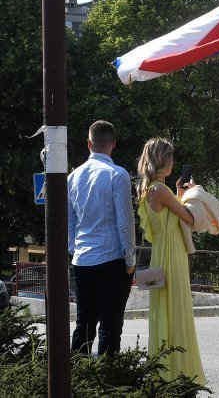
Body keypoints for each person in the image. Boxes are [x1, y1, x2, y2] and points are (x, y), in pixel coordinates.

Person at [136, 137, 206, 385]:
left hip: (162, 252)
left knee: (166, 312)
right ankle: (178, 374)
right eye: (171, 157)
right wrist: (193, 195)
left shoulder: (149, 189)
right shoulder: (160, 190)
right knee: (177, 311)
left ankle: (167, 372)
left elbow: (167, 214)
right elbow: (187, 216)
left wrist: (179, 193)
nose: (173, 162)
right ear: (163, 160)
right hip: (171, 254)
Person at [67, 120, 136, 356]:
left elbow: (70, 222)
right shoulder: (118, 175)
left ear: (88, 143)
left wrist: (74, 251)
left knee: (83, 324)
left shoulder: (72, 177)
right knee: (110, 325)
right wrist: (130, 259)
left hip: (82, 260)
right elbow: (125, 221)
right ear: (113, 144)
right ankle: (108, 379)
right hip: (112, 259)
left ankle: (76, 377)